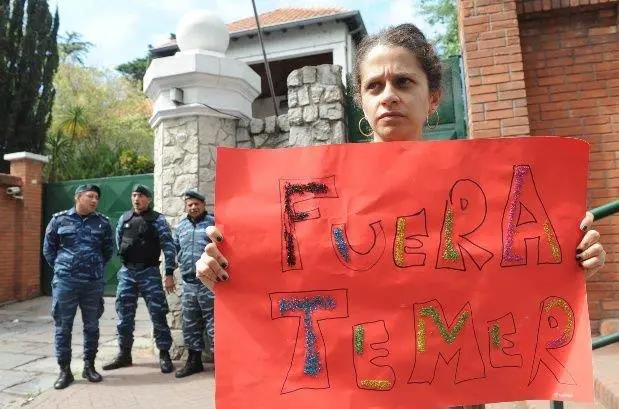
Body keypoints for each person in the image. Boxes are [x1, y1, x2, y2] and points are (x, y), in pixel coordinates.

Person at [193, 23, 607, 407]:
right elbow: (285, 285)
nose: (388, 94)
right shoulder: (312, 192)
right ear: (362, 101)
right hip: (359, 393)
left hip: (453, 392)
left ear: (432, 97)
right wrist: (226, 273)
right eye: (375, 85)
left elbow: (510, 278)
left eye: (403, 81)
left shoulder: (487, 188)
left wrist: (570, 265)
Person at [43, 184, 114, 390]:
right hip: (66, 283)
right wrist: (64, 267)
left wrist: (93, 267)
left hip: (92, 284)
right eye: (90, 196)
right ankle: (65, 371)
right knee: (63, 327)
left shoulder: (102, 223)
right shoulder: (59, 220)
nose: (94, 200)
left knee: (91, 326)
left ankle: (89, 366)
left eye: (97, 197)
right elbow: (49, 250)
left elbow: (107, 251)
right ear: (78, 197)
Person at [103, 184, 177, 374]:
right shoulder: (124, 218)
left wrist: (169, 273)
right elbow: (119, 241)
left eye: (141, 196)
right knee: (124, 316)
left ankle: (164, 354)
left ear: (149, 199)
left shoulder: (158, 220)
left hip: (149, 272)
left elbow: (169, 247)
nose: (137, 199)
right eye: (134, 195)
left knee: (158, 314)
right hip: (128, 273)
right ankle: (124, 354)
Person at [172, 189, 216, 378]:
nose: (193, 207)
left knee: (215, 324)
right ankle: (194, 361)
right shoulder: (180, 226)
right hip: (188, 283)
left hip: (210, 283)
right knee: (190, 323)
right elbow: (175, 249)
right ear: (186, 206)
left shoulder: (213, 224)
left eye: (196, 203)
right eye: (189, 204)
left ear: (203, 204)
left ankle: (222, 363)